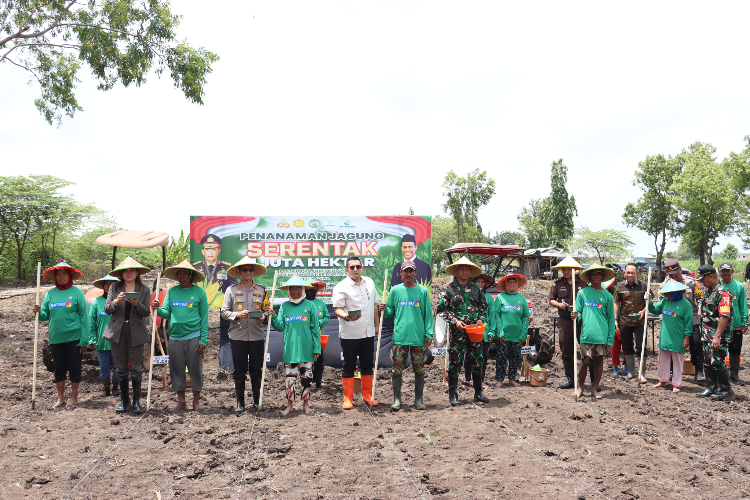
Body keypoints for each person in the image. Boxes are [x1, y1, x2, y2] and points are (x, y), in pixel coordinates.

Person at [32, 260, 91, 408]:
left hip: (75, 338)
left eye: (65, 274)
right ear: (55, 277)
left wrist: (85, 339)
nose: (62, 277)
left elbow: (85, 317)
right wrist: (38, 311)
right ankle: (60, 398)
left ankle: (74, 396)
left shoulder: (77, 293)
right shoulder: (50, 294)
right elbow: (44, 316)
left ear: (69, 276)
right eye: (59, 274)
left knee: (74, 367)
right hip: (56, 338)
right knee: (59, 368)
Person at [153, 261, 209, 412]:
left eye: (185, 273)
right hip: (175, 338)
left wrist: (203, 339)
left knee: (195, 370)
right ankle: (181, 402)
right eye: (179, 273)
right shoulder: (172, 292)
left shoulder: (199, 293)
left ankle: (196, 402)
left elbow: (204, 318)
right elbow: (165, 312)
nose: (182, 276)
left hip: (194, 336)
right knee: (177, 370)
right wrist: (157, 308)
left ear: (191, 275)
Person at [220, 256, 270, 414]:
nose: (248, 272)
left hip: (256, 336)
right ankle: (240, 404)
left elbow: (267, 310)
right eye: (245, 270)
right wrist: (236, 315)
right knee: (239, 372)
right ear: (239, 272)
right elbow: (223, 312)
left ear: (254, 272)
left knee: (257, 371)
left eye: (250, 270)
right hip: (238, 337)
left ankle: (257, 402)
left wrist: (264, 316)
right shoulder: (231, 290)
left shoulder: (262, 290)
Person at [436, 256, 489, 406]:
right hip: (457, 332)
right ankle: (453, 395)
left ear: (471, 271)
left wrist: (480, 319)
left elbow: (483, 308)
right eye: (462, 268)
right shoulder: (448, 289)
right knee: (455, 362)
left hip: (475, 332)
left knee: (477, 360)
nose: (465, 271)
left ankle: (478, 393)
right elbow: (441, 309)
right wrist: (455, 321)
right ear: (456, 270)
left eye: (468, 269)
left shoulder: (476, 289)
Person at [381, 261, 433, 411]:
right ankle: (397, 399)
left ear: (415, 273)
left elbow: (428, 315)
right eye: (406, 271)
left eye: (411, 271)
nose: (408, 274)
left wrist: (428, 333)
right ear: (401, 273)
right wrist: (384, 309)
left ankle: (419, 400)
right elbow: (390, 311)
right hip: (400, 337)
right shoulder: (396, 290)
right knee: (396, 369)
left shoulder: (422, 292)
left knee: (419, 369)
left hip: (418, 337)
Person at [104, 257, 153, 414]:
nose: (129, 273)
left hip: (136, 332)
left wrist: (137, 304)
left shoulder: (144, 290)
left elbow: (146, 312)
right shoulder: (114, 287)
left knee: (136, 368)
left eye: (132, 270)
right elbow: (107, 309)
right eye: (126, 270)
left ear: (137, 272)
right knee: (121, 367)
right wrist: (116, 302)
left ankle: (136, 402)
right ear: (121, 273)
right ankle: (124, 401)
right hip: (117, 332)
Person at [332, 256, 381, 409]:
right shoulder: (341, 286)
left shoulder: (370, 283)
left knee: (367, 364)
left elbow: (374, 305)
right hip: (350, 333)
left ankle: (367, 396)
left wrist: (377, 325)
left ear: (362, 268)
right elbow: (337, 309)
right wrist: (347, 316)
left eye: (358, 267)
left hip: (368, 332)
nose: (355, 270)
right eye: (351, 267)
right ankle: (348, 398)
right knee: (349, 365)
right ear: (346, 270)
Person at [270, 274, 321, 415]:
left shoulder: (310, 305)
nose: (295, 292)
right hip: (290, 351)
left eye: (298, 288)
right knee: (290, 380)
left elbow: (315, 329)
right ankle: (290, 406)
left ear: (303, 289)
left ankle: (306, 405)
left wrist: (317, 347)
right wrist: (273, 316)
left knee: (307, 379)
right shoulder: (284, 306)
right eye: (292, 289)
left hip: (307, 351)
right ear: (288, 291)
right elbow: (280, 326)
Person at [192, 233, 236, 372]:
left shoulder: (227, 268)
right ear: (202, 251)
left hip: (223, 308)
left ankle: (225, 368)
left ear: (219, 250)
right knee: (196, 336)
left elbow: (233, 287)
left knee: (226, 336)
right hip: (199, 309)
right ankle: (195, 368)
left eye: (214, 248)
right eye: (207, 249)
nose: (210, 252)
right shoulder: (195, 267)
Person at [572, 264, 616, 399]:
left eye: (599, 274)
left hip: (601, 336)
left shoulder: (607, 296)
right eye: (593, 274)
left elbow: (610, 319)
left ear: (603, 277)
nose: (596, 276)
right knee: (585, 362)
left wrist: (610, 340)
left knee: (599, 362)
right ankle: (580, 388)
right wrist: (575, 315)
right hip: (586, 334)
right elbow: (578, 311)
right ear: (589, 277)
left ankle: (594, 389)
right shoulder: (582, 293)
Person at [660, 259, 704, 381]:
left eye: (675, 273)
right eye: (670, 275)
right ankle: (671, 372)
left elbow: (701, 299)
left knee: (695, 343)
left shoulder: (692, 282)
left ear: (680, 269)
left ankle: (699, 371)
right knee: (673, 346)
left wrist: (700, 310)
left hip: (692, 319)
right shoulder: (665, 285)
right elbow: (662, 303)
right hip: (674, 322)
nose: (673, 276)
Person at [695, 265, 733, 400]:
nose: (702, 282)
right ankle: (710, 388)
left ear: (711, 276)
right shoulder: (709, 291)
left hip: (718, 335)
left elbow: (724, 316)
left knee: (718, 361)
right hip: (707, 334)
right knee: (707, 362)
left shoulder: (722, 292)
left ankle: (725, 389)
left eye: (703, 279)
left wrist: (717, 337)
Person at [548, 256, 586, 389]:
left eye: (569, 269)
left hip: (581, 321)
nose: (566, 271)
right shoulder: (557, 283)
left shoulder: (583, 283)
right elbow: (551, 300)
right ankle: (571, 379)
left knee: (586, 349)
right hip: (564, 320)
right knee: (566, 350)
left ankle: (588, 380)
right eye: (564, 269)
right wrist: (559, 305)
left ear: (574, 269)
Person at [649, 280, 692, 392]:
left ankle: (676, 384)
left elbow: (688, 322)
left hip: (678, 338)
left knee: (677, 362)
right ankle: (663, 380)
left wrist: (686, 338)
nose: (667, 295)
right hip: (665, 337)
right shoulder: (665, 301)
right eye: (666, 293)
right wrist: (648, 302)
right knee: (663, 361)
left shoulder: (686, 304)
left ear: (677, 292)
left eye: (669, 293)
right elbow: (655, 310)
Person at [489, 274, 530, 387]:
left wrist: (523, 334)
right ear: (506, 285)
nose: (511, 285)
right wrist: (499, 332)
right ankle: (500, 379)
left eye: (514, 282)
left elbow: (526, 316)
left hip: (517, 335)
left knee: (515, 358)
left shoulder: (521, 299)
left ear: (517, 284)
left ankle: (512, 379)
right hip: (503, 335)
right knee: (501, 358)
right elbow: (496, 315)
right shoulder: (500, 297)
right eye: (509, 283)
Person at [613, 263, 648, 383]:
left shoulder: (644, 285)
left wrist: (643, 311)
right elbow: (616, 303)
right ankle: (632, 372)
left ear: (637, 273)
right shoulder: (620, 286)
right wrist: (615, 320)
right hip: (625, 321)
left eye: (633, 272)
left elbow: (649, 303)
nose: (630, 274)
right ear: (624, 273)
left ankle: (642, 374)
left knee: (640, 346)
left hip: (640, 321)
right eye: (628, 272)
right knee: (627, 347)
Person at [88, 274, 120, 398]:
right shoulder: (96, 302)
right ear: (103, 286)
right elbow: (92, 322)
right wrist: (92, 339)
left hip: (117, 340)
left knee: (118, 367)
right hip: (102, 341)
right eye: (106, 284)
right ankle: (106, 388)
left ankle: (116, 387)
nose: (109, 286)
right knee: (104, 367)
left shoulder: (119, 301)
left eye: (112, 284)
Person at [718, 262, 748, 382]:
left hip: (735, 325)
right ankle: (722, 376)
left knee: (735, 350)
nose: (725, 273)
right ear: (719, 272)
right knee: (720, 351)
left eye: (727, 270)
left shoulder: (739, 286)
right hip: (721, 326)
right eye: (723, 270)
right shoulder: (717, 286)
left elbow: (743, 306)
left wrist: (744, 321)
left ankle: (734, 375)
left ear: (732, 272)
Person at [464, 274, 494, 389]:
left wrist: (491, 332)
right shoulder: (469, 296)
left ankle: (481, 380)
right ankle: (468, 379)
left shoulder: (489, 298)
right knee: (468, 355)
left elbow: (492, 316)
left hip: (484, 332)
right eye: (478, 282)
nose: (481, 284)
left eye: (483, 282)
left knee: (484, 356)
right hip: (471, 330)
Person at [306, 282, 331, 390]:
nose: (313, 290)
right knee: (306, 361)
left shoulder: (321, 303)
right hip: (305, 337)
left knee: (319, 360)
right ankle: (307, 383)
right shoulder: (302, 303)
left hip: (319, 337)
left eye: (315, 288)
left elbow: (327, 316)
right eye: (310, 288)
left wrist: (320, 322)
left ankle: (318, 383)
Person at [604, 278, 627, 377]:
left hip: (626, 323)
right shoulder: (605, 296)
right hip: (612, 324)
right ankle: (616, 366)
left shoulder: (621, 294)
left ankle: (627, 365)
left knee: (626, 346)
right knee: (615, 348)